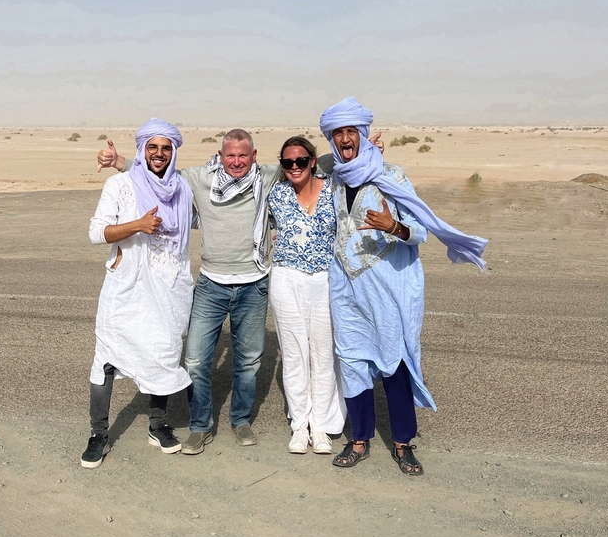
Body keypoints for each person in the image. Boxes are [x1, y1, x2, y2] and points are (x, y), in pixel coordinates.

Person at [319, 97, 487, 474]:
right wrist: (365, 153)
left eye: (351, 132)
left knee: (394, 360)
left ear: (362, 134)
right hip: (345, 286)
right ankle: (359, 438)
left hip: (386, 286)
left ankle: (402, 443)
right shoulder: (333, 175)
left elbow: (420, 232)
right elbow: (307, 164)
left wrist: (392, 227)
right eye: (338, 133)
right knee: (352, 359)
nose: (345, 139)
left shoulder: (391, 176)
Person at [97, 129, 280, 454]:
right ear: (221, 156)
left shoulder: (268, 176)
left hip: (255, 283)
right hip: (211, 284)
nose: (236, 161)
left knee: (249, 361)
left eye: (243, 155)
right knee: (195, 359)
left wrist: (368, 153)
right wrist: (119, 162)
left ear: (254, 156)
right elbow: (159, 175)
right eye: (230, 155)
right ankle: (199, 426)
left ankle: (240, 420)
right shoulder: (200, 178)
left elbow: (312, 166)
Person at [81, 119, 194, 468]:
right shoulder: (120, 185)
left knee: (163, 354)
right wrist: (138, 225)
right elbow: (97, 233)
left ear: (173, 152)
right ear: (143, 151)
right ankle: (99, 433)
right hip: (126, 289)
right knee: (107, 359)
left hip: (168, 288)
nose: (159, 154)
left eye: (165, 148)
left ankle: (158, 425)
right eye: (152, 147)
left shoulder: (183, 190)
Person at [267, 136, 345, 454]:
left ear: (313, 161)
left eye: (301, 161)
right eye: (288, 162)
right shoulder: (277, 194)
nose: (295, 167)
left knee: (324, 355)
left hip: (326, 278)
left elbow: (351, 169)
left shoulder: (333, 190)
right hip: (286, 277)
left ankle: (321, 426)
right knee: (295, 354)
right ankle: (300, 425)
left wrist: (371, 153)